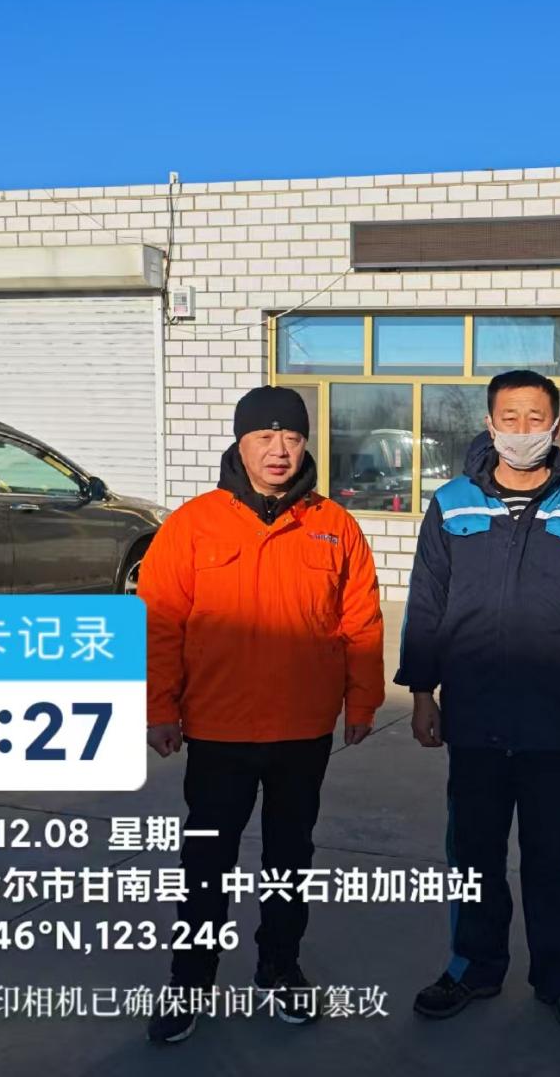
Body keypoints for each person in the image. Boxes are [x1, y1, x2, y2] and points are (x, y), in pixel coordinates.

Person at [138, 385, 385, 1044]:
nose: (279, 450)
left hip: (303, 730)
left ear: (306, 444)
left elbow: (361, 621)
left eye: (292, 438)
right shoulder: (194, 524)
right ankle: (190, 983)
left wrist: (362, 701)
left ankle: (279, 968)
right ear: (240, 444)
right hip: (217, 730)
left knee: (289, 861)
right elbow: (160, 623)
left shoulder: (334, 525)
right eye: (264, 437)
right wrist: (159, 708)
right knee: (206, 865)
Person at [397, 369, 560, 1035]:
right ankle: (473, 966)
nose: (523, 430)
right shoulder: (452, 503)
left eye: (537, 417)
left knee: (552, 858)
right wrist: (422, 692)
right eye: (511, 417)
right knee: (473, 853)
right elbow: (426, 602)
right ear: (489, 423)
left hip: (552, 717)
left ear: (555, 426)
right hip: (474, 712)